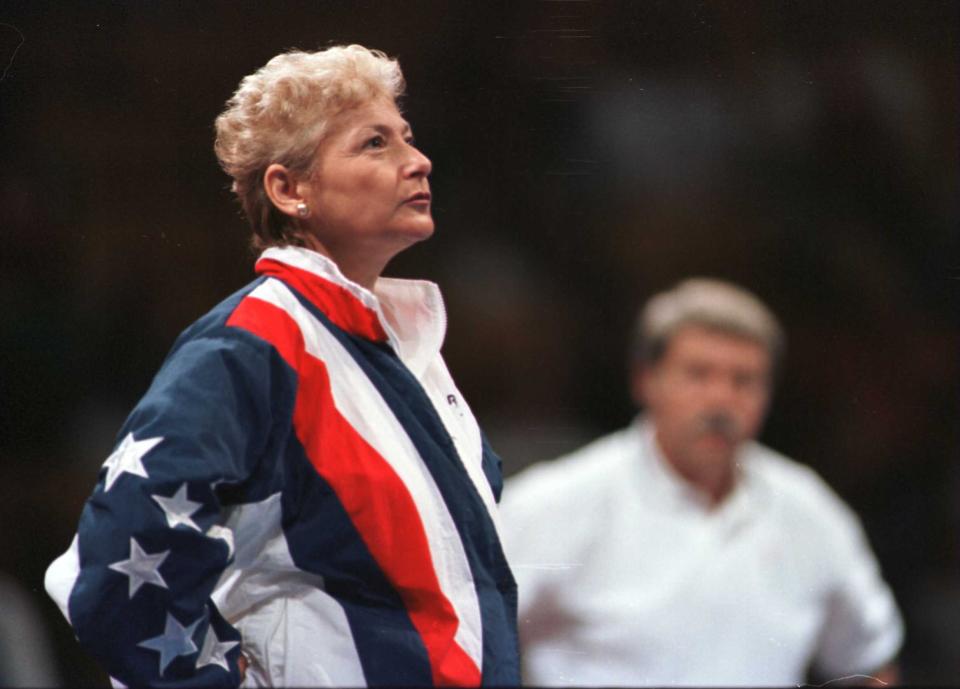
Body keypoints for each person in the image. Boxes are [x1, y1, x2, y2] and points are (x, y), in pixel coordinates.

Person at [44, 44, 519, 687]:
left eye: (407, 136)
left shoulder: (406, 350)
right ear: (289, 189)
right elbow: (108, 574)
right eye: (375, 144)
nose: (418, 160)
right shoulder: (252, 347)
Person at [500, 278, 903, 686]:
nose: (721, 399)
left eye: (743, 380)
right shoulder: (555, 502)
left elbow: (870, 662)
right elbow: (465, 638)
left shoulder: (809, 511)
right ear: (646, 380)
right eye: (698, 374)